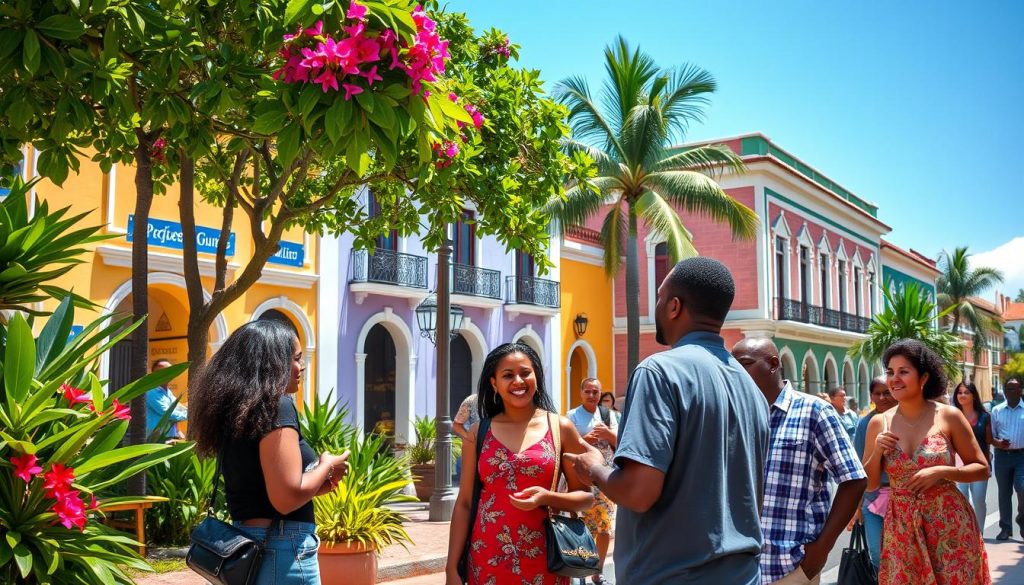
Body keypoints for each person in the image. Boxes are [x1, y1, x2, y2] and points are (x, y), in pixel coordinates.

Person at [566, 257, 769, 584]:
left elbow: (638, 492)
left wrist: (594, 468)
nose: (656, 306)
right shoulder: (751, 389)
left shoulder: (659, 372)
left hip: (670, 575)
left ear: (674, 306)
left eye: (660, 297)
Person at [189, 320, 351, 585]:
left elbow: (262, 489)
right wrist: (327, 465)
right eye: (296, 359)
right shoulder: (277, 407)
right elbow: (285, 499)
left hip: (248, 547)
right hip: (281, 550)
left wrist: (317, 484)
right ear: (271, 364)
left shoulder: (236, 412)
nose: (302, 367)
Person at [445, 342, 594, 585]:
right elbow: (464, 503)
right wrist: (451, 567)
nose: (518, 381)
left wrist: (547, 497)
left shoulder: (560, 428)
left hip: (546, 561)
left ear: (537, 376)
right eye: (507, 375)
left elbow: (586, 498)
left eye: (525, 372)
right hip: (486, 560)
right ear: (494, 383)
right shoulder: (477, 433)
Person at [732, 338, 866, 585]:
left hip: (791, 567)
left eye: (745, 364)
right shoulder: (735, 414)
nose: (737, 372)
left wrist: (822, 548)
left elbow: (854, 479)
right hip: (739, 566)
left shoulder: (814, 411)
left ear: (773, 364)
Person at [863, 339, 990, 584]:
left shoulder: (948, 416)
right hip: (901, 528)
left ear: (923, 378)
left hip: (949, 524)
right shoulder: (879, 423)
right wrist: (877, 450)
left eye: (904, 371)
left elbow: (982, 469)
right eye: (890, 372)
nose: (894, 379)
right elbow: (869, 485)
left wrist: (942, 471)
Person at [567, 378, 618, 585]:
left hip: (605, 480)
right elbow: (567, 446)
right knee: (581, 528)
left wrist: (607, 433)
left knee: (604, 528)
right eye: (588, 391)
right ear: (581, 393)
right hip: (581, 480)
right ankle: (580, 573)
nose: (592, 395)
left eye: (595, 391)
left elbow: (619, 440)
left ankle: (597, 572)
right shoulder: (572, 416)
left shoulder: (608, 415)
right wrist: (586, 441)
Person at [849, 377, 896, 573]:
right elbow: (859, 466)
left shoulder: (905, 419)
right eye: (877, 393)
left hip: (900, 497)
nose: (882, 397)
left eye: (887, 392)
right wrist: (856, 506)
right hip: (872, 497)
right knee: (878, 555)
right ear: (871, 396)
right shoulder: (865, 423)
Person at [953, 381, 992, 530]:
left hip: (979, 465)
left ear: (973, 396)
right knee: (962, 501)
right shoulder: (952, 416)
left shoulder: (984, 416)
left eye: (966, 392)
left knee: (979, 500)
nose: (962, 395)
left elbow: (988, 442)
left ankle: (979, 535)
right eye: (959, 392)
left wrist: (988, 465)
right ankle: (966, 535)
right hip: (958, 466)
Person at [991, 377, 1024, 541]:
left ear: (1021, 390)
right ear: (1004, 391)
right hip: (1002, 456)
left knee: (1022, 488)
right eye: (1008, 389)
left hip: (1022, 457)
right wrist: (998, 443)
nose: (1011, 391)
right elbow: (992, 436)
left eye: (1015, 388)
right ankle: (1005, 528)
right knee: (1004, 493)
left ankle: (1022, 522)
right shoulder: (997, 410)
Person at [146, 359, 187, 442]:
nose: (167, 374)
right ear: (153, 373)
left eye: (170, 371)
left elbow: (178, 407)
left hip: (169, 437)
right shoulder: (151, 392)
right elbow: (167, 413)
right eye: (162, 371)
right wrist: (190, 415)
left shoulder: (167, 392)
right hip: (155, 440)